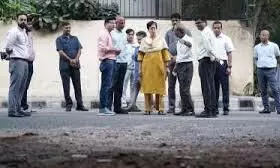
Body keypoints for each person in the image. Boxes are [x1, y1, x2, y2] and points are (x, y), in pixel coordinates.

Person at [138, 21, 170, 115]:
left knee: (160, 87)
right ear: (148, 29)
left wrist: (167, 66)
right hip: (147, 67)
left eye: (154, 28)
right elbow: (140, 56)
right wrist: (140, 69)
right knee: (147, 87)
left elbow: (165, 54)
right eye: (151, 28)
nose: (153, 30)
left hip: (159, 66)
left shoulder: (161, 39)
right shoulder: (144, 40)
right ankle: (148, 108)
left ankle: (160, 108)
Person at [56, 22, 88, 112]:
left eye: (69, 28)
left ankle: (80, 105)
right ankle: (68, 105)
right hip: (64, 66)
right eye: (66, 28)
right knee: (66, 86)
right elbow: (61, 52)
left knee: (77, 85)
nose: (68, 29)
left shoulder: (75, 38)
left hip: (75, 65)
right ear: (62, 28)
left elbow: (79, 49)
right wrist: (70, 60)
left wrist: (76, 59)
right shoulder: (59, 39)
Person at [2, 13, 31, 117]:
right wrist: (8, 56)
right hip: (17, 61)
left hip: (24, 61)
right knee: (15, 87)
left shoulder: (24, 32)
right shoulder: (14, 32)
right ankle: (12, 111)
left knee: (22, 87)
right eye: (21, 19)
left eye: (25, 20)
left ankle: (18, 109)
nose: (23, 21)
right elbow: (8, 46)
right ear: (17, 20)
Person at [165, 13, 192, 114]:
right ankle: (171, 107)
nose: (174, 22)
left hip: (183, 62)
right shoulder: (168, 33)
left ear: (180, 20)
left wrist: (178, 57)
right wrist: (171, 57)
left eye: (176, 20)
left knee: (183, 86)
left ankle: (184, 107)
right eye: (173, 20)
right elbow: (166, 47)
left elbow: (190, 46)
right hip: (171, 62)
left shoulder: (186, 31)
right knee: (171, 85)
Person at [195, 16, 219, 118]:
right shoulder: (209, 32)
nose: (198, 25)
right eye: (196, 23)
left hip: (206, 60)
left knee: (206, 86)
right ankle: (212, 110)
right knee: (211, 86)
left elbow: (208, 47)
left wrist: (215, 56)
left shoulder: (205, 32)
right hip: (210, 60)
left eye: (200, 22)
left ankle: (208, 110)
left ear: (205, 22)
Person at [97, 17, 120, 116]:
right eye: (112, 23)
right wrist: (114, 50)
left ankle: (105, 107)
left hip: (111, 60)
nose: (114, 25)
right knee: (106, 85)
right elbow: (102, 48)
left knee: (108, 85)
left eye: (115, 23)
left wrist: (114, 52)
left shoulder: (108, 34)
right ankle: (103, 108)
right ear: (106, 23)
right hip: (107, 61)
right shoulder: (104, 33)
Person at [254, 29, 280, 115]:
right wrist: (258, 66)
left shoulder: (274, 46)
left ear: (268, 36)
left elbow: (277, 56)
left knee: (275, 89)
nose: (262, 36)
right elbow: (256, 58)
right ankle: (266, 108)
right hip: (260, 70)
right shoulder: (257, 47)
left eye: (264, 35)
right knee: (263, 90)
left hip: (271, 70)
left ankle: (279, 108)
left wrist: (273, 65)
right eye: (261, 35)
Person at [213, 21, 235, 115]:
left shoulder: (226, 39)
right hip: (213, 64)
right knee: (214, 87)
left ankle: (226, 108)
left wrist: (229, 67)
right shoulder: (210, 39)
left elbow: (229, 53)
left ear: (221, 29)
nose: (216, 29)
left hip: (223, 64)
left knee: (225, 87)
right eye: (215, 28)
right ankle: (215, 108)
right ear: (212, 28)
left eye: (218, 28)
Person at [172, 23, 194, 116]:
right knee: (181, 89)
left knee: (185, 89)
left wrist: (184, 42)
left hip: (187, 65)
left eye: (175, 32)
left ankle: (190, 109)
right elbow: (179, 56)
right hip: (180, 65)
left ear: (180, 31)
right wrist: (175, 68)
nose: (174, 34)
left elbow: (190, 45)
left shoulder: (188, 39)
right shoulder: (178, 41)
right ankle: (184, 109)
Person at [108, 16, 128, 114]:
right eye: (120, 22)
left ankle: (117, 108)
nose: (122, 24)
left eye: (123, 22)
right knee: (112, 85)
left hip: (124, 62)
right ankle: (108, 107)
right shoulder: (111, 34)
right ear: (116, 23)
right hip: (115, 62)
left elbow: (125, 48)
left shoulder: (125, 34)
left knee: (120, 86)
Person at [124, 31, 147, 112]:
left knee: (147, 90)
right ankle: (131, 105)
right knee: (134, 89)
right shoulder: (137, 47)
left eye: (140, 39)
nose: (139, 41)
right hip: (136, 71)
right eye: (138, 39)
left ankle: (148, 107)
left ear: (145, 38)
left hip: (145, 72)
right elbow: (134, 57)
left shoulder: (147, 47)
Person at [21, 15, 35, 112]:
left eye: (31, 24)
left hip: (30, 63)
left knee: (26, 85)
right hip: (24, 62)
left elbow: (30, 47)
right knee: (23, 85)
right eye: (28, 23)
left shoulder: (29, 33)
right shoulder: (21, 34)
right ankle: (22, 105)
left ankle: (24, 105)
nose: (30, 25)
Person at [121, 28, 135, 108]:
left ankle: (132, 103)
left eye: (132, 34)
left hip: (134, 68)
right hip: (126, 68)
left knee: (133, 87)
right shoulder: (124, 45)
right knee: (124, 85)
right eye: (129, 34)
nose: (130, 36)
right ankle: (123, 102)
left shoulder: (135, 45)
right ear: (126, 35)